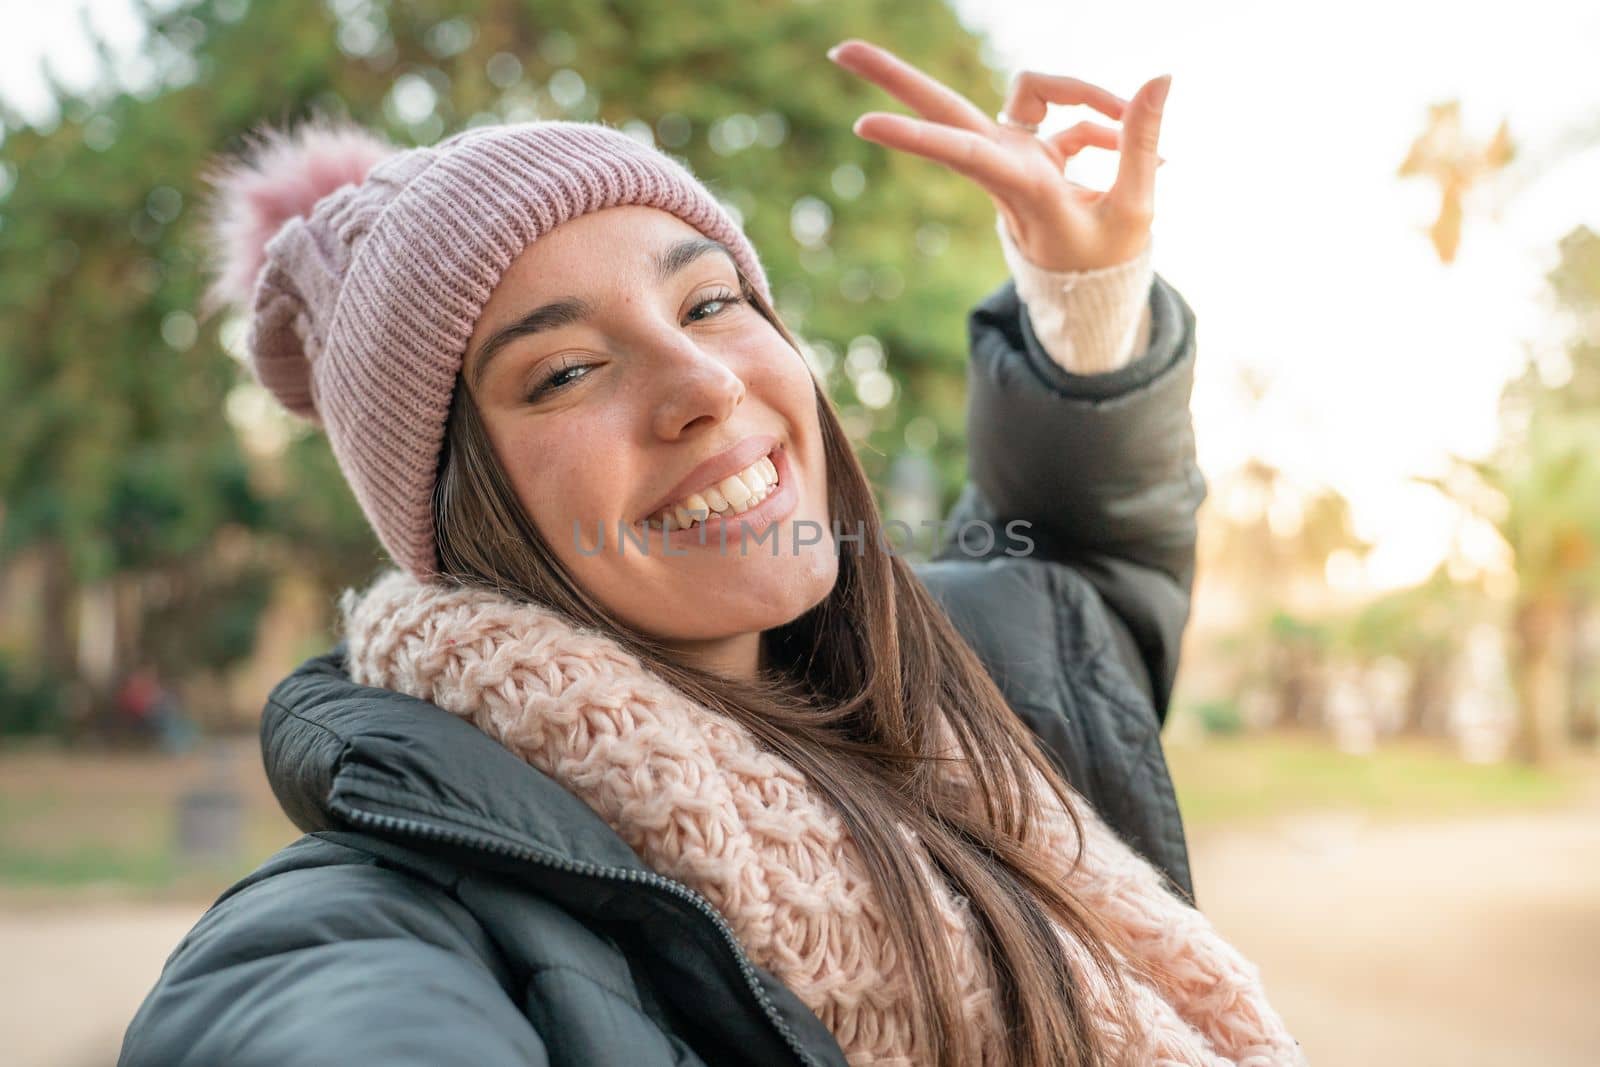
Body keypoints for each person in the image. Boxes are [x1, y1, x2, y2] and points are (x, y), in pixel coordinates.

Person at [120, 38, 1306, 1067]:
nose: (702, 383)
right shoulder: (369, 927)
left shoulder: (960, 677)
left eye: (706, 303)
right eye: (566, 371)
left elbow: (1088, 570)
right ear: (460, 513)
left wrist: (1082, 299)